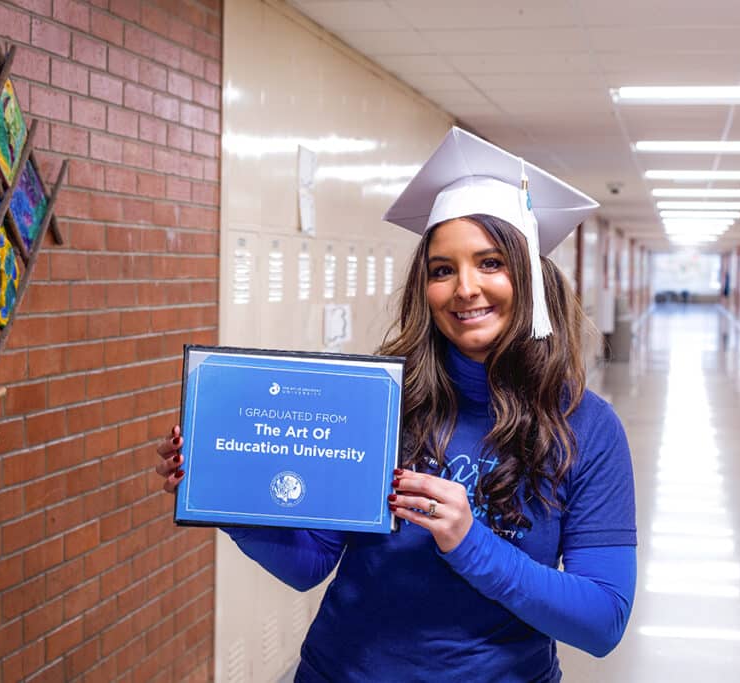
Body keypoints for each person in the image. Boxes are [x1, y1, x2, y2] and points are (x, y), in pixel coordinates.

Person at [154, 128, 636, 682]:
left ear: (529, 277)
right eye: (443, 269)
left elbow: (602, 621)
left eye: (491, 263)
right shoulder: (380, 400)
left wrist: (469, 541)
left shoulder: (587, 427)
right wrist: (225, 492)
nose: (465, 288)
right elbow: (309, 564)